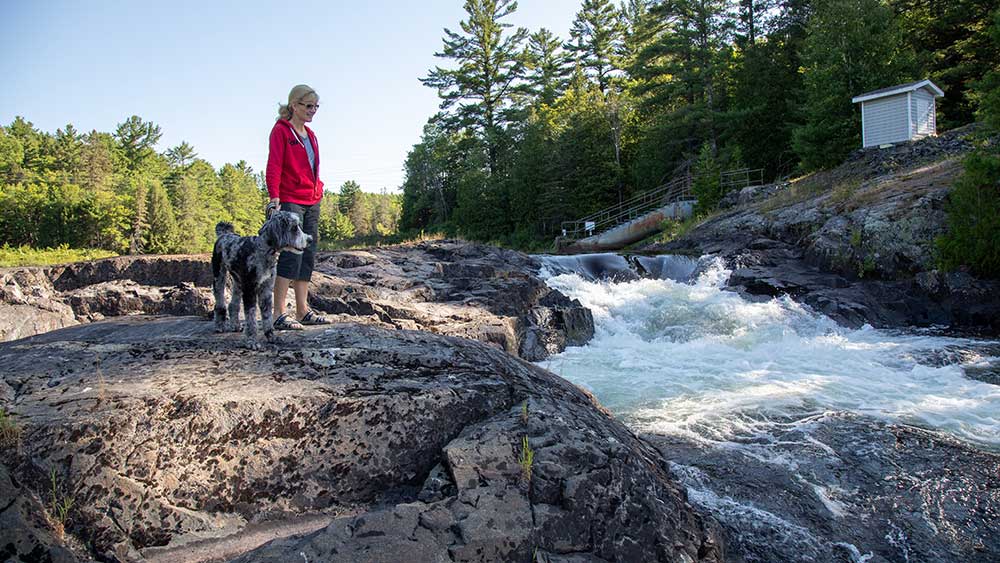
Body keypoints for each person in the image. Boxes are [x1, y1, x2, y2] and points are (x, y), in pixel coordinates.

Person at [265, 84, 333, 330]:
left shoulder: (311, 135)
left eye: (316, 106)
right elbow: (274, 166)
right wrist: (274, 198)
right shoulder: (281, 131)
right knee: (291, 255)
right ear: (294, 105)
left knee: (308, 255)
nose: (312, 111)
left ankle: (303, 310)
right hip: (290, 199)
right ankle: (278, 313)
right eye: (308, 106)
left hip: (312, 199)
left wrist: (318, 190)